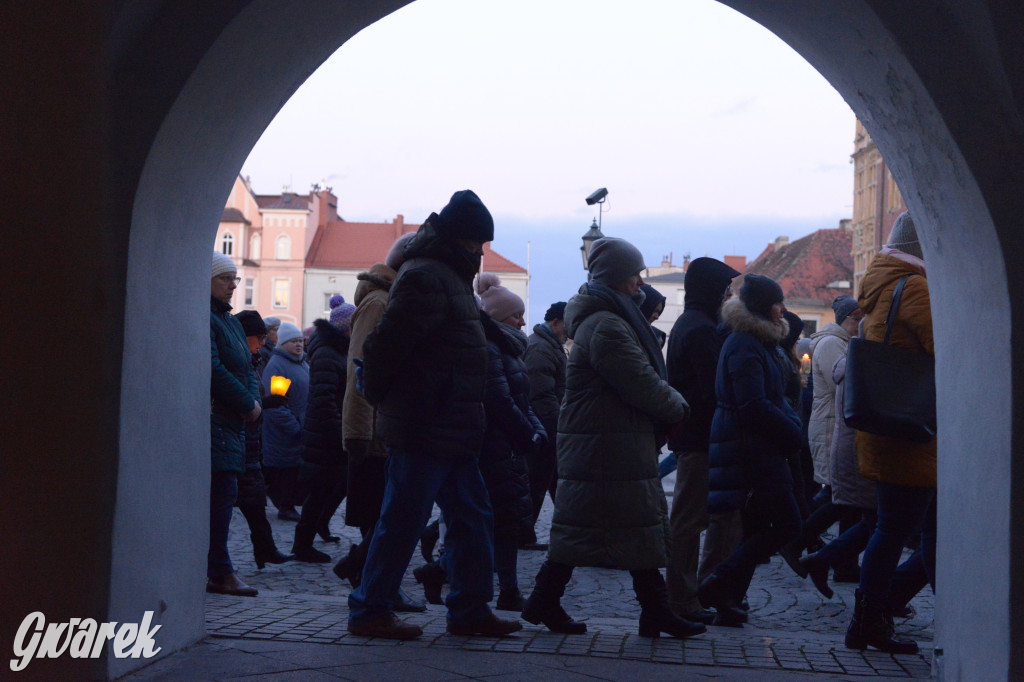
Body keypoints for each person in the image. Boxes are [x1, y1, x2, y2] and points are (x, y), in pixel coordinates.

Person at [348, 190, 522, 640]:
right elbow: (386, 347)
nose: (481, 253)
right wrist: (385, 398)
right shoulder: (427, 276)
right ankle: (371, 608)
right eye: (478, 243)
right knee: (403, 521)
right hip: (426, 423)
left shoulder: (447, 276)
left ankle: (468, 607)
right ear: (460, 239)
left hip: (452, 423)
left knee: (471, 519)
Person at [522, 237, 705, 640]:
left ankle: (555, 601)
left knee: (622, 524)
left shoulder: (610, 318)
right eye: (633, 276)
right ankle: (646, 609)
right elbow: (639, 381)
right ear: (615, 278)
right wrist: (680, 407)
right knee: (603, 524)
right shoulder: (606, 325)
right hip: (604, 443)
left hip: (610, 439)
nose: (639, 283)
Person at [845, 211, 935, 655]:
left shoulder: (882, 288)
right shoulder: (917, 288)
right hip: (912, 431)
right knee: (897, 528)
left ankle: (868, 620)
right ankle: (870, 622)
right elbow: (950, 349)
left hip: (889, 426)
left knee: (892, 526)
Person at [697, 274, 803, 627]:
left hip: (760, 443)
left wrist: (791, 424)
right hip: (751, 447)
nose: (783, 308)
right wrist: (792, 431)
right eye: (778, 302)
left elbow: (776, 397)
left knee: (757, 524)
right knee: (787, 523)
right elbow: (754, 404)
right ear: (762, 308)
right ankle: (719, 583)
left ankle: (728, 597)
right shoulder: (744, 343)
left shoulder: (761, 341)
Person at [333, 234, 425, 614]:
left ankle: (367, 574)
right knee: (385, 515)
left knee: (392, 515)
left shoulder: (391, 302)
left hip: (386, 428)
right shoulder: (378, 303)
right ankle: (372, 584)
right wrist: (357, 431)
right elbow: (360, 372)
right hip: (375, 432)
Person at [663, 257, 741, 626]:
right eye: (725, 288)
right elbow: (714, 389)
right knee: (689, 522)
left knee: (699, 519)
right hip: (700, 438)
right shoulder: (700, 330)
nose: (729, 294)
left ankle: (697, 593)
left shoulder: (694, 324)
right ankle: (682, 598)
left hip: (697, 436)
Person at [780, 296, 865, 580]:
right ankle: (797, 540)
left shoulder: (842, 342)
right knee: (838, 494)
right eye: (857, 319)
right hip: (831, 425)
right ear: (846, 319)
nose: (861, 325)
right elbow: (841, 383)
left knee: (845, 497)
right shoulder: (831, 343)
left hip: (837, 424)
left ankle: (843, 563)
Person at [477, 273, 546, 611]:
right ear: (499, 319)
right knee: (495, 522)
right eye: (515, 316)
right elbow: (500, 400)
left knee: (504, 522)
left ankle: (508, 590)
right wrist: (527, 432)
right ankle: (498, 591)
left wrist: (535, 428)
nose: (522, 322)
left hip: (509, 446)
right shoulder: (491, 348)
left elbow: (522, 400)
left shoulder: (510, 348)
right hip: (493, 447)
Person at [207, 251, 261, 596]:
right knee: (220, 498)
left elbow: (248, 365)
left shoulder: (231, 321)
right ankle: (219, 570)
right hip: (216, 422)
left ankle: (220, 568)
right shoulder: (209, 319)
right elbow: (213, 369)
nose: (232, 286)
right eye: (225, 279)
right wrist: (246, 402)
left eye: (234, 279)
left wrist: (252, 400)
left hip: (232, 424)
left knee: (227, 494)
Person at [291, 298, 354, 563]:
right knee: (320, 489)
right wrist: (340, 427)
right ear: (345, 328)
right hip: (326, 434)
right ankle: (302, 545)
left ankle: (315, 530)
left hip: (328, 431)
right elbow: (325, 399)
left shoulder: (335, 350)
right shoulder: (329, 353)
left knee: (330, 487)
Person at [234, 310, 293, 569]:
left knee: (256, 502)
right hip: (238, 444)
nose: (262, 343)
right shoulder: (239, 363)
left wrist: (268, 402)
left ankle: (265, 550)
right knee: (240, 504)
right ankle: (220, 566)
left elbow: (252, 399)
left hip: (250, 445)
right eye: (257, 338)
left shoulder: (253, 361)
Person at [522, 300, 568, 549]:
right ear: (556, 323)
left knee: (554, 484)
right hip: (546, 430)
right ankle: (523, 534)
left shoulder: (549, 345)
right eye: (567, 326)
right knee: (537, 483)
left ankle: (569, 535)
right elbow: (541, 396)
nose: (570, 333)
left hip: (549, 429)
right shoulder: (541, 349)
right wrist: (558, 429)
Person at [261, 322, 310, 522]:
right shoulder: (278, 366)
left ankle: (289, 504)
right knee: (285, 471)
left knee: (295, 470)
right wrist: (294, 426)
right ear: (282, 343)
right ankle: (285, 506)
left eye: (300, 341)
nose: (298, 345)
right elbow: (276, 403)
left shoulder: (303, 363)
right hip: (284, 431)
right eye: (293, 341)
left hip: (300, 428)